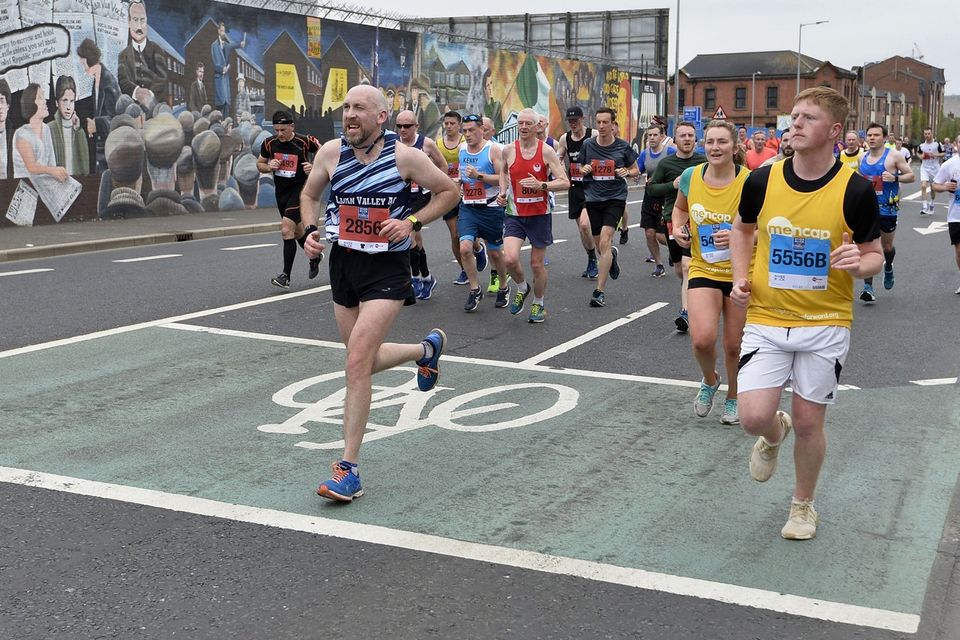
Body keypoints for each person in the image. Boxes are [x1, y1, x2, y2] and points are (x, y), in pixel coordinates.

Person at [730, 86, 882, 540]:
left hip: (826, 322)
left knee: (811, 420)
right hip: (767, 316)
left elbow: (875, 254)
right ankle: (773, 432)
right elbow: (742, 230)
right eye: (793, 116)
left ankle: (802, 506)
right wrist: (741, 276)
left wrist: (861, 264)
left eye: (808, 118)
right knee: (751, 416)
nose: (794, 124)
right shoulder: (762, 180)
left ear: (834, 131)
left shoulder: (854, 190)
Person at [298, 84, 459, 502]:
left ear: (381, 117)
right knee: (361, 361)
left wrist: (412, 223)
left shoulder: (405, 156)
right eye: (346, 107)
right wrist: (308, 231)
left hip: (387, 266)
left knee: (355, 362)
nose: (349, 114)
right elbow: (309, 194)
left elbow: (449, 191)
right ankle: (425, 351)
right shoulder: (330, 153)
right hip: (345, 264)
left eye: (360, 109)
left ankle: (348, 469)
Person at [672, 120, 750, 425]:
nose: (715, 148)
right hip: (704, 266)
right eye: (710, 142)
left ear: (734, 146)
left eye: (722, 142)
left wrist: (737, 236)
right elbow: (680, 208)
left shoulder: (749, 182)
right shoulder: (692, 176)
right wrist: (679, 228)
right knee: (702, 340)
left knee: (734, 344)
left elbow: (765, 230)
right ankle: (710, 379)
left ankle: (733, 395)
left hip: (741, 270)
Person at [498, 107, 569, 323]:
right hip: (515, 214)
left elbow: (565, 181)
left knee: (537, 265)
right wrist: (503, 192)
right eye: (520, 123)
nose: (524, 127)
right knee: (509, 258)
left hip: (539, 214)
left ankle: (539, 304)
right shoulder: (509, 150)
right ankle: (522, 287)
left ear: (538, 126)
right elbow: (503, 172)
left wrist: (542, 185)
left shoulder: (546, 151)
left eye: (528, 123)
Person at [647, 121, 706, 331]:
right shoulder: (667, 164)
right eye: (683, 136)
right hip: (673, 219)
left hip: (699, 220)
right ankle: (690, 290)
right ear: (675, 139)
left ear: (696, 139)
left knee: (689, 266)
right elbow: (651, 189)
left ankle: (686, 312)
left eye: (691, 135)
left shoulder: (704, 162)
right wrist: (672, 185)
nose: (687, 139)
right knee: (680, 269)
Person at [580, 107, 639, 307]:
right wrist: (584, 169)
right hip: (593, 198)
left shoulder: (623, 146)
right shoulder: (588, 145)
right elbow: (578, 168)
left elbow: (636, 169)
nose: (602, 126)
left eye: (606, 122)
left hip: (615, 198)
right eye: (599, 122)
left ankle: (599, 291)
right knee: (599, 246)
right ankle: (611, 256)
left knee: (605, 241)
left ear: (613, 124)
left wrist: (627, 172)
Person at [256, 110, 322, 289]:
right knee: (297, 232)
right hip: (282, 193)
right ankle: (314, 256)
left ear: (292, 126)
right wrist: (268, 166)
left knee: (286, 229)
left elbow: (326, 155)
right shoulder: (269, 143)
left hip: (301, 191)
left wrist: (314, 167)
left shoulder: (304, 141)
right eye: (276, 130)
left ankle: (285, 276)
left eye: (283, 130)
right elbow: (259, 163)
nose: (279, 134)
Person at [457, 114, 510, 312]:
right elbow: (463, 173)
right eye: (465, 131)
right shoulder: (462, 148)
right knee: (464, 248)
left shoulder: (493, 150)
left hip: (490, 208)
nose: (468, 134)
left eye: (471, 130)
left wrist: (479, 176)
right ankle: (474, 289)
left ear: (481, 129)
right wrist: (460, 183)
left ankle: (504, 286)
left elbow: (502, 177)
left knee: (496, 252)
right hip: (468, 206)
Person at [857, 122, 914, 302]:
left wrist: (895, 177)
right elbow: (860, 179)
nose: (872, 138)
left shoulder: (894, 156)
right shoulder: (862, 157)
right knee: (867, 248)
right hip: (867, 209)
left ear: (883, 137)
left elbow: (910, 175)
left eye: (876, 135)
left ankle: (888, 265)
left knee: (886, 248)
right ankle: (868, 287)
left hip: (887, 209)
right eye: (869, 135)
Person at [395, 109, 446, 300]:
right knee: (416, 241)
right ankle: (426, 277)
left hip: (421, 198)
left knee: (409, 237)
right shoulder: (394, 143)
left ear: (416, 126)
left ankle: (415, 277)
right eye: (399, 126)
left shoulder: (426, 143)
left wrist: (434, 186)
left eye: (407, 126)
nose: (402, 129)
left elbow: (442, 166)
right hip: (402, 197)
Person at [436, 111, 487, 285]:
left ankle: (479, 249)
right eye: (446, 123)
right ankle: (464, 270)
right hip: (448, 193)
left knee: (466, 233)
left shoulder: (466, 143)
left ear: (459, 125)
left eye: (452, 123)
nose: (449, 126)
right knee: (454, 234)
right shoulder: (438, 144)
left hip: (469, 192)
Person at [554, 106, 599, 279]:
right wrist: (557, 166)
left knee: (585, 225)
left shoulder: (593, 134)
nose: (573, 124)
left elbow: (606, 152)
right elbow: (558, 158)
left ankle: (597, 257)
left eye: (576, 120)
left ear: (583, 119)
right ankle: (591, 257)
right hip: (575, 188)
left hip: (592, 187)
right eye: (570, 121)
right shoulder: (565, 138)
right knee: (582, 230)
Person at [635, 123, 676, 277]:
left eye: (654, 135)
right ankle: (659, 264)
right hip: (650, 195)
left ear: (661, 136)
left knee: (661, 235)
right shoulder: (645, 154)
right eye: (649, 135)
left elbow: (678, 169)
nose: (651, 138)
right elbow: (637, 169)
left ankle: (674, 249)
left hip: (666, 196)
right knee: (649, 233)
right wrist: (629, 172)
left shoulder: (670, 152)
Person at [12, 83, 68, 182]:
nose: (45, 101)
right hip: (25, 186)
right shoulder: (21, 134)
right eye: (40, 97)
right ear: (31, 103)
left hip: (45, 184)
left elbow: (52, 163)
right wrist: (52, 171)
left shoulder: (46, 129)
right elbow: (32, 167)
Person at [117, 1, 167, 106]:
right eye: (135, 20)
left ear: (147, 21)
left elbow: (162, 80)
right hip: (132, 110)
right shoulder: (123, 55)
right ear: (129, 22)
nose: (139, 26)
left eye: (142, 20)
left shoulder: (157, 50)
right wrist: (138, 92)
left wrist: (148, 96)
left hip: (155, 108)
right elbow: (123, 82)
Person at [49, 76, 90, 176]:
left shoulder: (78, 130)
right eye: (64, 100)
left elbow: (86, 169)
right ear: (57, 103)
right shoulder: (49, 128)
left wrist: (78, 131)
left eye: (72, 101)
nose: (68, 107)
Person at [932, 150, 960, 294]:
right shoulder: (949, 164)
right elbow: (935, 185)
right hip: (956, 215)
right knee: (959, 250)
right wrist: (945, 187)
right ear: (956, 145)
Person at [211, 22, 246, 117]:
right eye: (222, 31)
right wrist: (222, 69)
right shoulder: (214, 46)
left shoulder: (226, 45)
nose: (223, 33)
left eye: (224, 31)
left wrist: (240, 44)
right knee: (220, 106)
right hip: (219, 78)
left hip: (225, 80)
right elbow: (213, 63)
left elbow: (233, 45)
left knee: (226, 105)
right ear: (218, 31)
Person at [917, 128, 944, 215]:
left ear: (932, 134)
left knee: (933, 188)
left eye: (928, 133)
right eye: (925, 134)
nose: (927, 135)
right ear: (924, 135)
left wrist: (934, 154)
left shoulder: (937, 144)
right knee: (923, 185)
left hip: (935, 168)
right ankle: (924, 206)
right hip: (925, 167)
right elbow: (918, 153)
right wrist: (921, 156)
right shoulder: (921, 145)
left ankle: (932, 203)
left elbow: (943, 153)